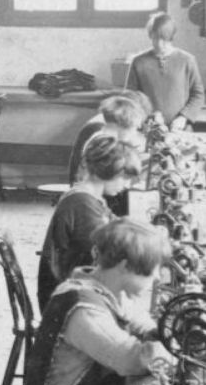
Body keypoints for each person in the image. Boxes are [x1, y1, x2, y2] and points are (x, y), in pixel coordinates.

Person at [19, 219, 176, 385]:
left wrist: (157, 333)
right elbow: (128, 359)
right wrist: (164, 351)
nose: (156, 279)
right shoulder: (82, 306)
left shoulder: (100, 285)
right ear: (125, 266)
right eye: (152, 271)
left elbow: (136, 320)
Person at [40, 134, 143, 314]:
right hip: (67, 300)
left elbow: (115, 225)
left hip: (69, 285)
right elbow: (108, 253)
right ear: (109, 172)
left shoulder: (89, 196)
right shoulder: (82, 204)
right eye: (125, 178)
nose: (127, 185)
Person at [125, 12, 203, 130]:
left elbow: (198, 94)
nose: (160, 44)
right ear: (150, 35)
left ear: (171, 37)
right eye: (156, 38)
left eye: (164, 40)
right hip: (148, 128)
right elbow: (130, 97)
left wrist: (183, 117)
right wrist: (149, 116)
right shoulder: (138, 62)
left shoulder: (187, 60)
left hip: (180, 128)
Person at [69, 92, 150, 185]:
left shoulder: (106, 136)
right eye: (134, 127)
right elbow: (113, 181)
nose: (135, 132)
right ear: (121, 124)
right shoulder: (103, 142)